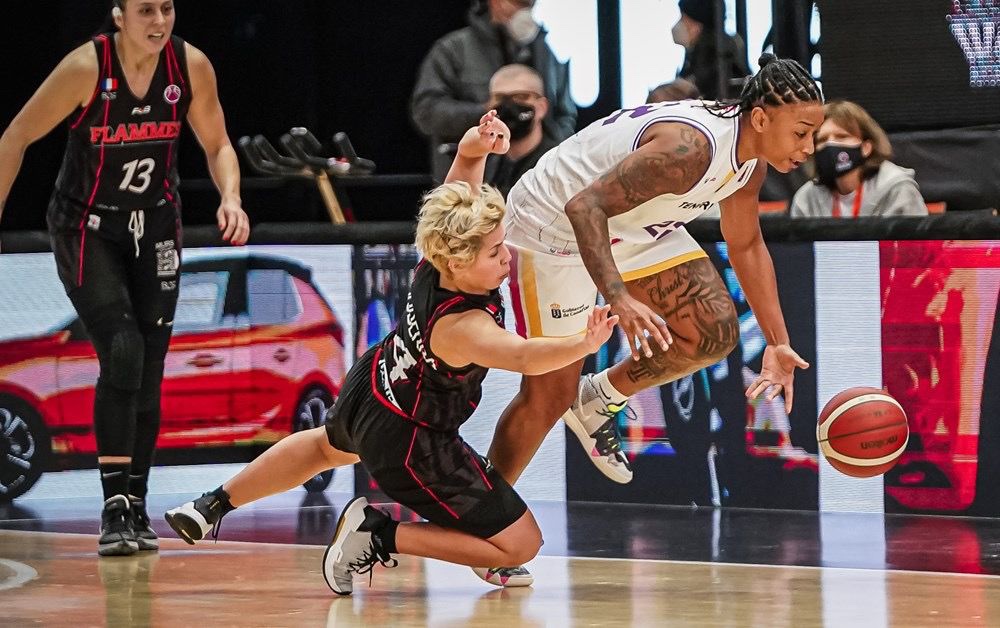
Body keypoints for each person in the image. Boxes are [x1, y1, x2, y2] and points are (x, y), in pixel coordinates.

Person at [163, 112, 618, 594]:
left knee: (324, 446)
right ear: (457, 261)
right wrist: (583, 344)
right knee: (520, 544)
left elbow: (460, 179)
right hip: (415, 444)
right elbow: (525, 358)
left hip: (377, 387)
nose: (507, 256)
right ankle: (378, 533)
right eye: (494, 252)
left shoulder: (437, 255)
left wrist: (476, 146)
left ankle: (212, 504)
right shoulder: (464, 326)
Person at [493, 53, 822, 532]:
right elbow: (584, 207)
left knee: (713, 331)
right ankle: (481, 520)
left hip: (626, 223)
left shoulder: (748, 163)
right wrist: (619, 297)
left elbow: (747, 245)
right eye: (801, 133)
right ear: (760, 118)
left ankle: (598, 397)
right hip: (553, 224)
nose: (809, 147)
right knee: (548, 394)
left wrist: (777, 341)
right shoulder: (691, 150)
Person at [0, 0, 249, 556]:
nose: (159, 22)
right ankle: (113, 506)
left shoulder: (190, 66)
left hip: (155, 223)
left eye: (166, 9)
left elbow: (218, 144)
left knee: (150, 365)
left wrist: (230, 197)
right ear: (119, 16)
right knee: (122, 348)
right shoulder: (86, 68)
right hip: (86, 226)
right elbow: (13, 138)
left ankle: (136, 502)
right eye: (145, 11)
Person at [411, 0, 576, 182]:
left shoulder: (544, 52)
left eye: (530, 5)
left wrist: (554, 153)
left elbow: (565, 113)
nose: (525, 11)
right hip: (471, 179)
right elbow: (425, 111)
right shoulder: (454, 49)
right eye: (519, 3)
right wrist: (487, 115)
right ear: (495, 2)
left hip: (538, 176)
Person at [789, 100, 926, 218]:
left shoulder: (897, 188)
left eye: (841, 136)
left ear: (866, 147)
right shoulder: (806, 199)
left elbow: (917, 240)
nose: (831, 144)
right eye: (822, 139)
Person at [484, 64, 557, 197]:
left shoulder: (558, 165)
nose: (509, 106)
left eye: (521, 97)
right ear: (489, 107)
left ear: (542, 107)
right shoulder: (483, 166)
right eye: (500, 98)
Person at [672, 0, 750, 100]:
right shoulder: (695, 56)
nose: (680, 23)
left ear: (697, 26)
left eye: (683, 18)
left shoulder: (718, 58)